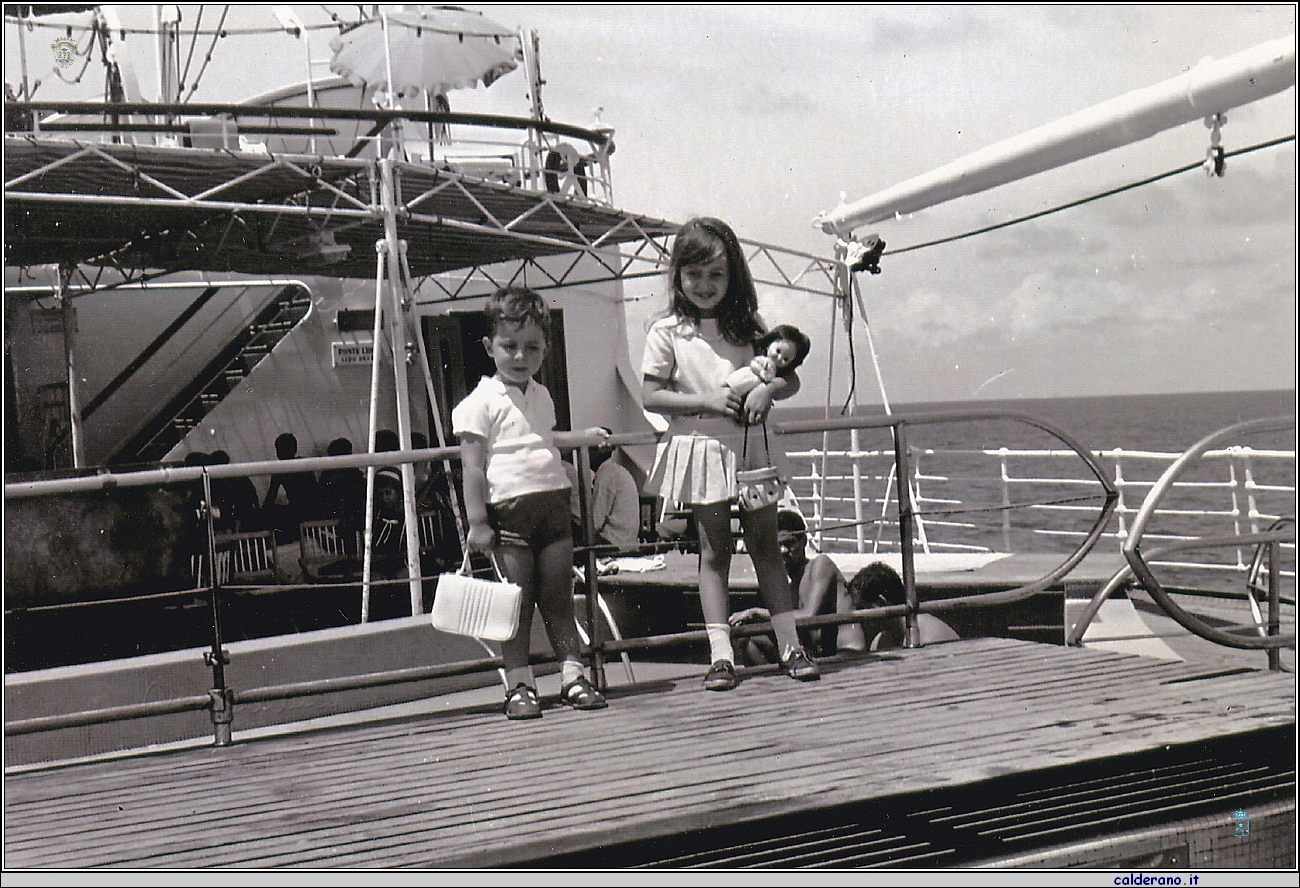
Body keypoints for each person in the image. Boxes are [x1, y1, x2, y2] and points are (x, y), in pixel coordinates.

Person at [640, 216, 816, 692]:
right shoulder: (667, 332)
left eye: (716, 274)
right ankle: (721, 655)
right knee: (714, 551)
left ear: (733, 275)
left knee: (766, 547)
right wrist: (708, 401)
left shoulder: (748, 327)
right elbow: (651, 396)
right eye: (694, 274)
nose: (705, 285)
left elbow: (789, 377)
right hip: (703, 450)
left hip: (752, 449)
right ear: (677, 274)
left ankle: (791, 646)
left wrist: (768, 391)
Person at [453, 286, 611, 720]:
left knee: (559, 601)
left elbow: (542, 439)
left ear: (545, 349)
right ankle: (519, 684)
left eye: (532, 347)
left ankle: (573, 676)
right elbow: (472, 468)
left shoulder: (541, 394)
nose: (521, 356)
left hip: (554, 512)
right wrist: (478, 521)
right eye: (510, 346)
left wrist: (582, 438)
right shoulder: (478, 403)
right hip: (510, 519)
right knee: (515, 608)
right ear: (489, 347)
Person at [724, 324, 811, 404]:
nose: (779, 358)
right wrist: (760, 372)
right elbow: (754, 363)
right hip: (745, 379)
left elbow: (793, 382)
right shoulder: (763, 360)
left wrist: (768, 390)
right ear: (769, 344)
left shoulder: (778, 372)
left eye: (786, 359)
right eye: (778, 351)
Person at [262, 432, 319, 544]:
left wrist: (263, 512)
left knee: (272, 513)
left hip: (299, 511)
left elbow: (270, 497)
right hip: (309, 510)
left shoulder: (280, 470)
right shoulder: (304, 465)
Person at [207, 449, 260, 534]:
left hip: (241, 516)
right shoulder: (238, 476)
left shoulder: (225, 481)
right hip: (245, 516)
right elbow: (254, 498)